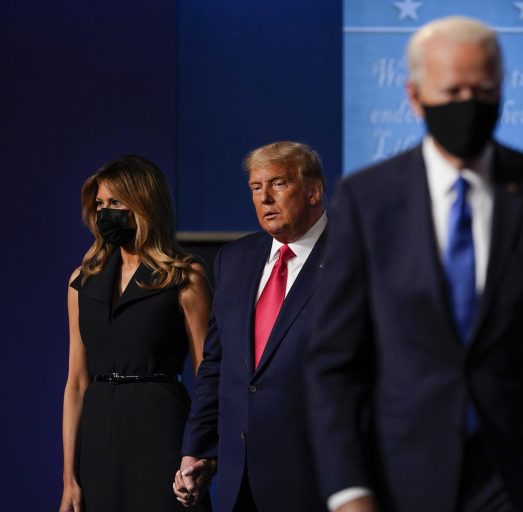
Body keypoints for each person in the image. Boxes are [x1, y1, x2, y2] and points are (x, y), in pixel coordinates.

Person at [305, 16, 523, 512]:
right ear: (414, 96)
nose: (467, 105)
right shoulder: (368, 199)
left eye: (483, 90)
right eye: (451, 92)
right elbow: (335, 364)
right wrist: (348, 492)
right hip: (399, 481)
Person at [174, 141, 327, 511]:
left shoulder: (353, 257)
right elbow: (216, 366)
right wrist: (196, 450)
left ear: (313, 192)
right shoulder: (236, 259)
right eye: (256, 188)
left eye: (278, 184)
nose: (265, 198)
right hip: (237, 479)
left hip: (316, 478)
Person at [60, 155, 212, 512]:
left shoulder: (184, 276)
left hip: (161, 433)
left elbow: (209, 375)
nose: (105, 212)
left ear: (144, 204)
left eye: (115, 203)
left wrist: (201, 455)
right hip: (99, 440)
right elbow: (76, 384)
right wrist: (69, 476)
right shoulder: (82, 281)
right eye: (99, 204)